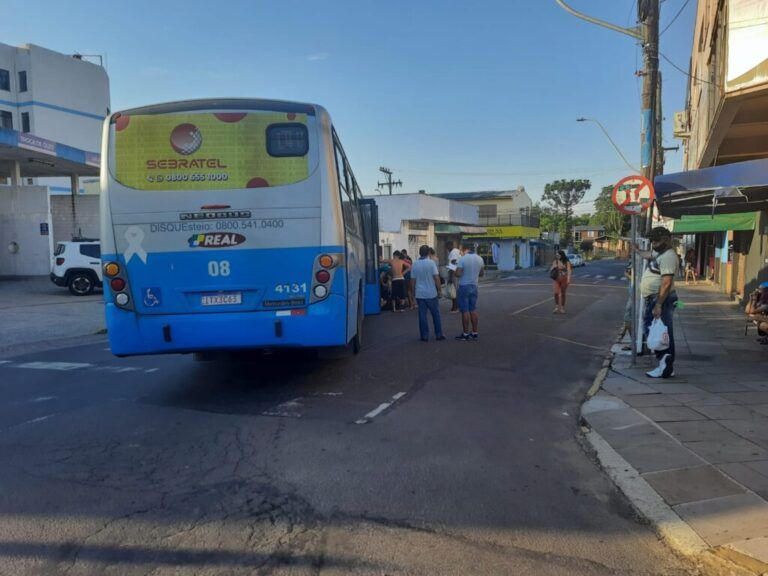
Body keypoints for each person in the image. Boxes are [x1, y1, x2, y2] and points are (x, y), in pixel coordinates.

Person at [637, 226, 679, 379]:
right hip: (654, 298)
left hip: (660, 299)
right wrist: (637, 250)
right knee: (656, 331)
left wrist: (659, 304)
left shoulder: (668, 256)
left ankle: (665, 363)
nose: (654, 244)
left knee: (662, 334)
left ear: (667, 240)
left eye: (657, 240)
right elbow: (648, 254)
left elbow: (666, 282)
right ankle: (665, 364)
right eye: (652, 241)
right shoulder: (660, 253)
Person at [411, 245, 445, 342]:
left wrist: (413, 294)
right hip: (431, 293)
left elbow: (412, 281)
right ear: (428, 253)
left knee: (422, 316)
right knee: (436, 315)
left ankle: (424, 336)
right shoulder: (431, 263)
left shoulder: (415, 264)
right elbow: (436, 278)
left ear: (419, 253)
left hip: (420, 294)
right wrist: (439, 290)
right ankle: (439, 334)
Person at [454, 243, 484, 341]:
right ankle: (475, 332)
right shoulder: (480, 259)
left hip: (464, 286)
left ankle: (465, 333)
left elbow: (458, 274)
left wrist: (455, 269)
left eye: (461, 249)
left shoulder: (463, 259)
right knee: (473, 310)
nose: (460, 251)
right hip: (474, 286)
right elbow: (481, 274)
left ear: (465, 249)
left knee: (465, 311)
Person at [446, 241, 462, 313]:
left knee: (453, 291)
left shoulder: (453, 252)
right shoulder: (456, 251)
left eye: (446, 247)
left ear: (449, 246)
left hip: (454, 273)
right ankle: (455, 307)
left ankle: (455, 307)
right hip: (457, 272)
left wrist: (450, 277)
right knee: (455, 291)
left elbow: (453, 262)